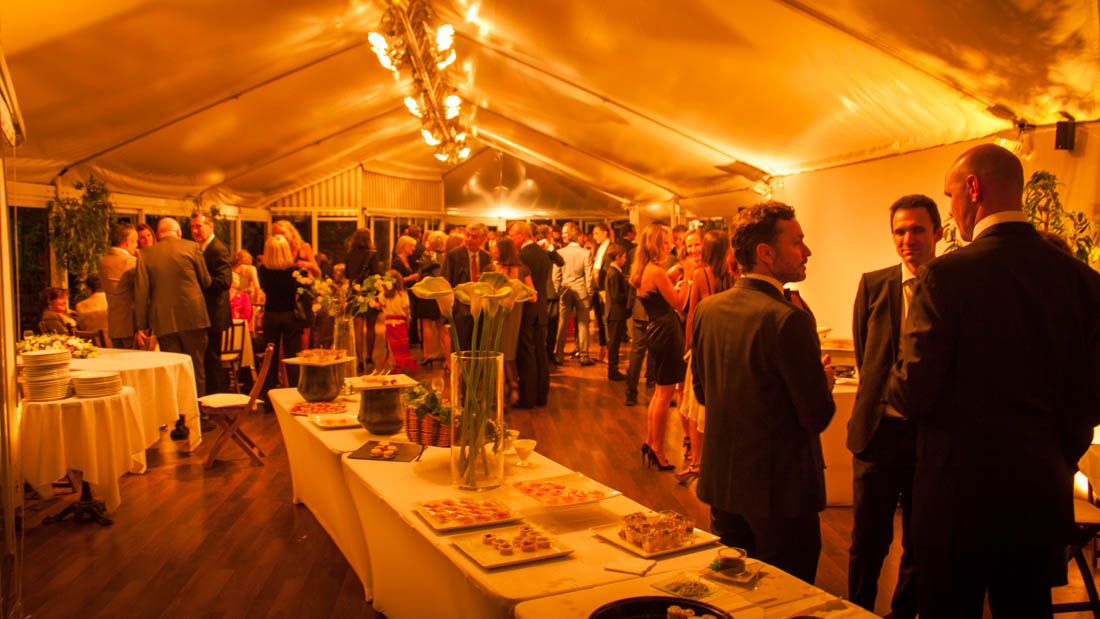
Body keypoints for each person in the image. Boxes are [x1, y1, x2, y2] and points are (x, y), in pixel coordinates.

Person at [886, 144, 1100, 617]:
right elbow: (1092, 393)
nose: (951, 210)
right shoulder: (1082, 280)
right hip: (1039, 490)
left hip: (957, 494)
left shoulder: (946, 276)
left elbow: (913, 391)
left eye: (950, 196)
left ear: (974, 188)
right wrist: (1057, 453)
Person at [691, 202, 835, 583]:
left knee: (732, 592)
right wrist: (823, 383)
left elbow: (703, 392)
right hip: (781, 493)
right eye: (798, 242)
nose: (807, 251)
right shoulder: (788, 318)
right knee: (785, 595)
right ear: (765, 253)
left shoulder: (708, 310)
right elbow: (816, 415)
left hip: (724, 485)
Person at [845, 195, 942, 618]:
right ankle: (856, 611)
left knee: (921, 541)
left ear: (937, 232)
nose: (907, 239)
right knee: (867, 541)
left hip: (929, 438)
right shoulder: (874, 283)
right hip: (878, 435)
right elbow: (867, 354)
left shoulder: (952, 284)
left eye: (917, 229)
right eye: (899, 231)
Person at [134, 217, 212, 440]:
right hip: (194, 316)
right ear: (178, 232)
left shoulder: (146, 255)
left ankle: (179, 421)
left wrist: (142, 325)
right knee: (196, 367)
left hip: (164, 320)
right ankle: (199, 416)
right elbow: (205, 281)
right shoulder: (192, 247)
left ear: (158, 235)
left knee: (175, 372)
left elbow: (141, 293)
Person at [678, 228, 733, 483]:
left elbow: (692, 314)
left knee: (694, 404)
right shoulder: (734, 275)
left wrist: (688, 345)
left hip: (705, 343)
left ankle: (698, 460)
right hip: (729, 343)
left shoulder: (701, 275)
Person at [631, 223, 686, 471]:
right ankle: (659, 450)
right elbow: (677, 303)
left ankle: (650, 442)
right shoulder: (657, 270)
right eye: (665, 242)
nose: (669, 246)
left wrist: (672, 278)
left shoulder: (642, 269)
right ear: (656, 244)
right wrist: (688, 283)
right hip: (667, 331)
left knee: (658, 394)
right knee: (665, 395)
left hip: (656, 329)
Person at [511, 222, 557, 409]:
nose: (510, 237)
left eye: (512, 234)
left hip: (528, 310)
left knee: (527, 354)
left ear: (522, 235)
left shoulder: (523, 256)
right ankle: (541, 395)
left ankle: (528, 397)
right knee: (540, 353)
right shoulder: (542, 254)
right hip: (540, 309)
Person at [191, 212, 233, 395]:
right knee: (207, 357)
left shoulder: (217, 249)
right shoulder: (199, 248)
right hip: (204, 313)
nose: (195, 231)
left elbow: (225, 281)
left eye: (198, 226)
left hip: (214, 313)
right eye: (192, 227)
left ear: (210, 226)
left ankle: (216, 397)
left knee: (212, 358)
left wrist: (202, 281)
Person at [258, 235, 304, 403]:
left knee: (270, 357)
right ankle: (295, 392)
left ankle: (269, 396)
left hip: (270, 315)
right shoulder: (294, 272)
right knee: (292, 356)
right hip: (289, 315)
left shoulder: (262, 270)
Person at [494, 237, 535, 405]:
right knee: (509, 352)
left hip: (496, 313)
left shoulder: (492, 268)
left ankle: (501, 391)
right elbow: (533, 296)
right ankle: (513, 387)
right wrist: (516, 295)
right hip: (514, 313)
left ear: (501, 250)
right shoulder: (522, 269)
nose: (493, 250)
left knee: (497, 351)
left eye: (495, 248)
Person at [442, 223, 491, 351]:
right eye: (467, 235)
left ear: (483, 239)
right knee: (460, 349)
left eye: (474, 237)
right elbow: (445, 281)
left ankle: (477, 371)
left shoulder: (486, 257)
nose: (469, 239)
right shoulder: (454, 255)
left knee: (479, 348)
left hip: (481, 309)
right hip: (460, 309)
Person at [553, 222, 595, 365]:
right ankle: (584, 355)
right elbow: (589, 277)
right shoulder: (586, 253)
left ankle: (559, 354)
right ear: (577, 235)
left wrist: (559, 290)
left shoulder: (559, 253)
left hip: (565, 290)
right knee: (583, 324)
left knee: (563, 323)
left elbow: (555, 276)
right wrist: (589, 294)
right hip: (581, 291)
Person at [345, 227, 384, 370]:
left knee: (358, 327)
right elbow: (376, 275)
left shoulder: (349, 254)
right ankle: (369, 357)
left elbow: (347, 275)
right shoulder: (372, 254)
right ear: (368, 239)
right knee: (371, 327)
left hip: (354, 292)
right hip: (369, 292)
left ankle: (359, 358)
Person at [98, 223, 140, 348]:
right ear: (127, 242)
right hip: (131, 326)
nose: (137, 245)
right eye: (135, 242)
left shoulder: (103, 261)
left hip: (114, 325)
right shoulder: (130, 262)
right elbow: (140, 293)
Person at [417, 231, 449, 364]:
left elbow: (420, 274)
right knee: (442, 327)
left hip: (428, 293)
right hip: (441, 293)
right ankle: (447, 358)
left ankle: (428, 355)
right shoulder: (446, 257)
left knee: (427, 325)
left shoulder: (427, 256)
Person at [380, 269, 418, 374]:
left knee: (391, 346)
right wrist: (408, 320)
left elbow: (381, 307)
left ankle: (394, 364)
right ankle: (403, 365)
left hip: (389, 323)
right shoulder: (402, 294)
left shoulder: (383, 295)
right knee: (402, 346)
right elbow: (406, 311)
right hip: (401, 323)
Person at [603, 243, 628, 381]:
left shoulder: (614, 272)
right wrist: (630, 288)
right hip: (615, 313)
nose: (625, 259)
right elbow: (616, 297)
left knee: (615, 343)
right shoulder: (614, 273)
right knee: (614, 344)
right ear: (618, 257)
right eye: (624, 257)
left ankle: (614, 370)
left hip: (615, 313)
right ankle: (613, 371)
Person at [590, 223, 613, 362]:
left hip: (605, 290)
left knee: (606, 322)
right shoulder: (598, 249)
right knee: (600, 321)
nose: (594, 236)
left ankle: (610, 352)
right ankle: (603, 349)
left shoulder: (610, 248)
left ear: (605, 233)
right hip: (598, 290)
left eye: (597, 233)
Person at [75, 275, 110, 344]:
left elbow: (82, 328)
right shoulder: (112, 301)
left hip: (91, 345)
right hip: (114, 345)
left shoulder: (80, 306)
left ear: (89, 288)